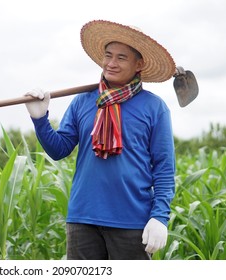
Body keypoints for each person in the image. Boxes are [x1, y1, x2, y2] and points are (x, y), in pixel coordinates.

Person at [24, 20, 176, 260]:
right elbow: (59, 149)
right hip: (82, 219)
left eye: (121, 58)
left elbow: (165, 169)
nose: (111, 63)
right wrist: (40, 117)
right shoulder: (83, 101)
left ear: (139, 64)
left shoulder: (154, 107)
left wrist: (159, 217)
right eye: (108, 56)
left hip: (132, 222)